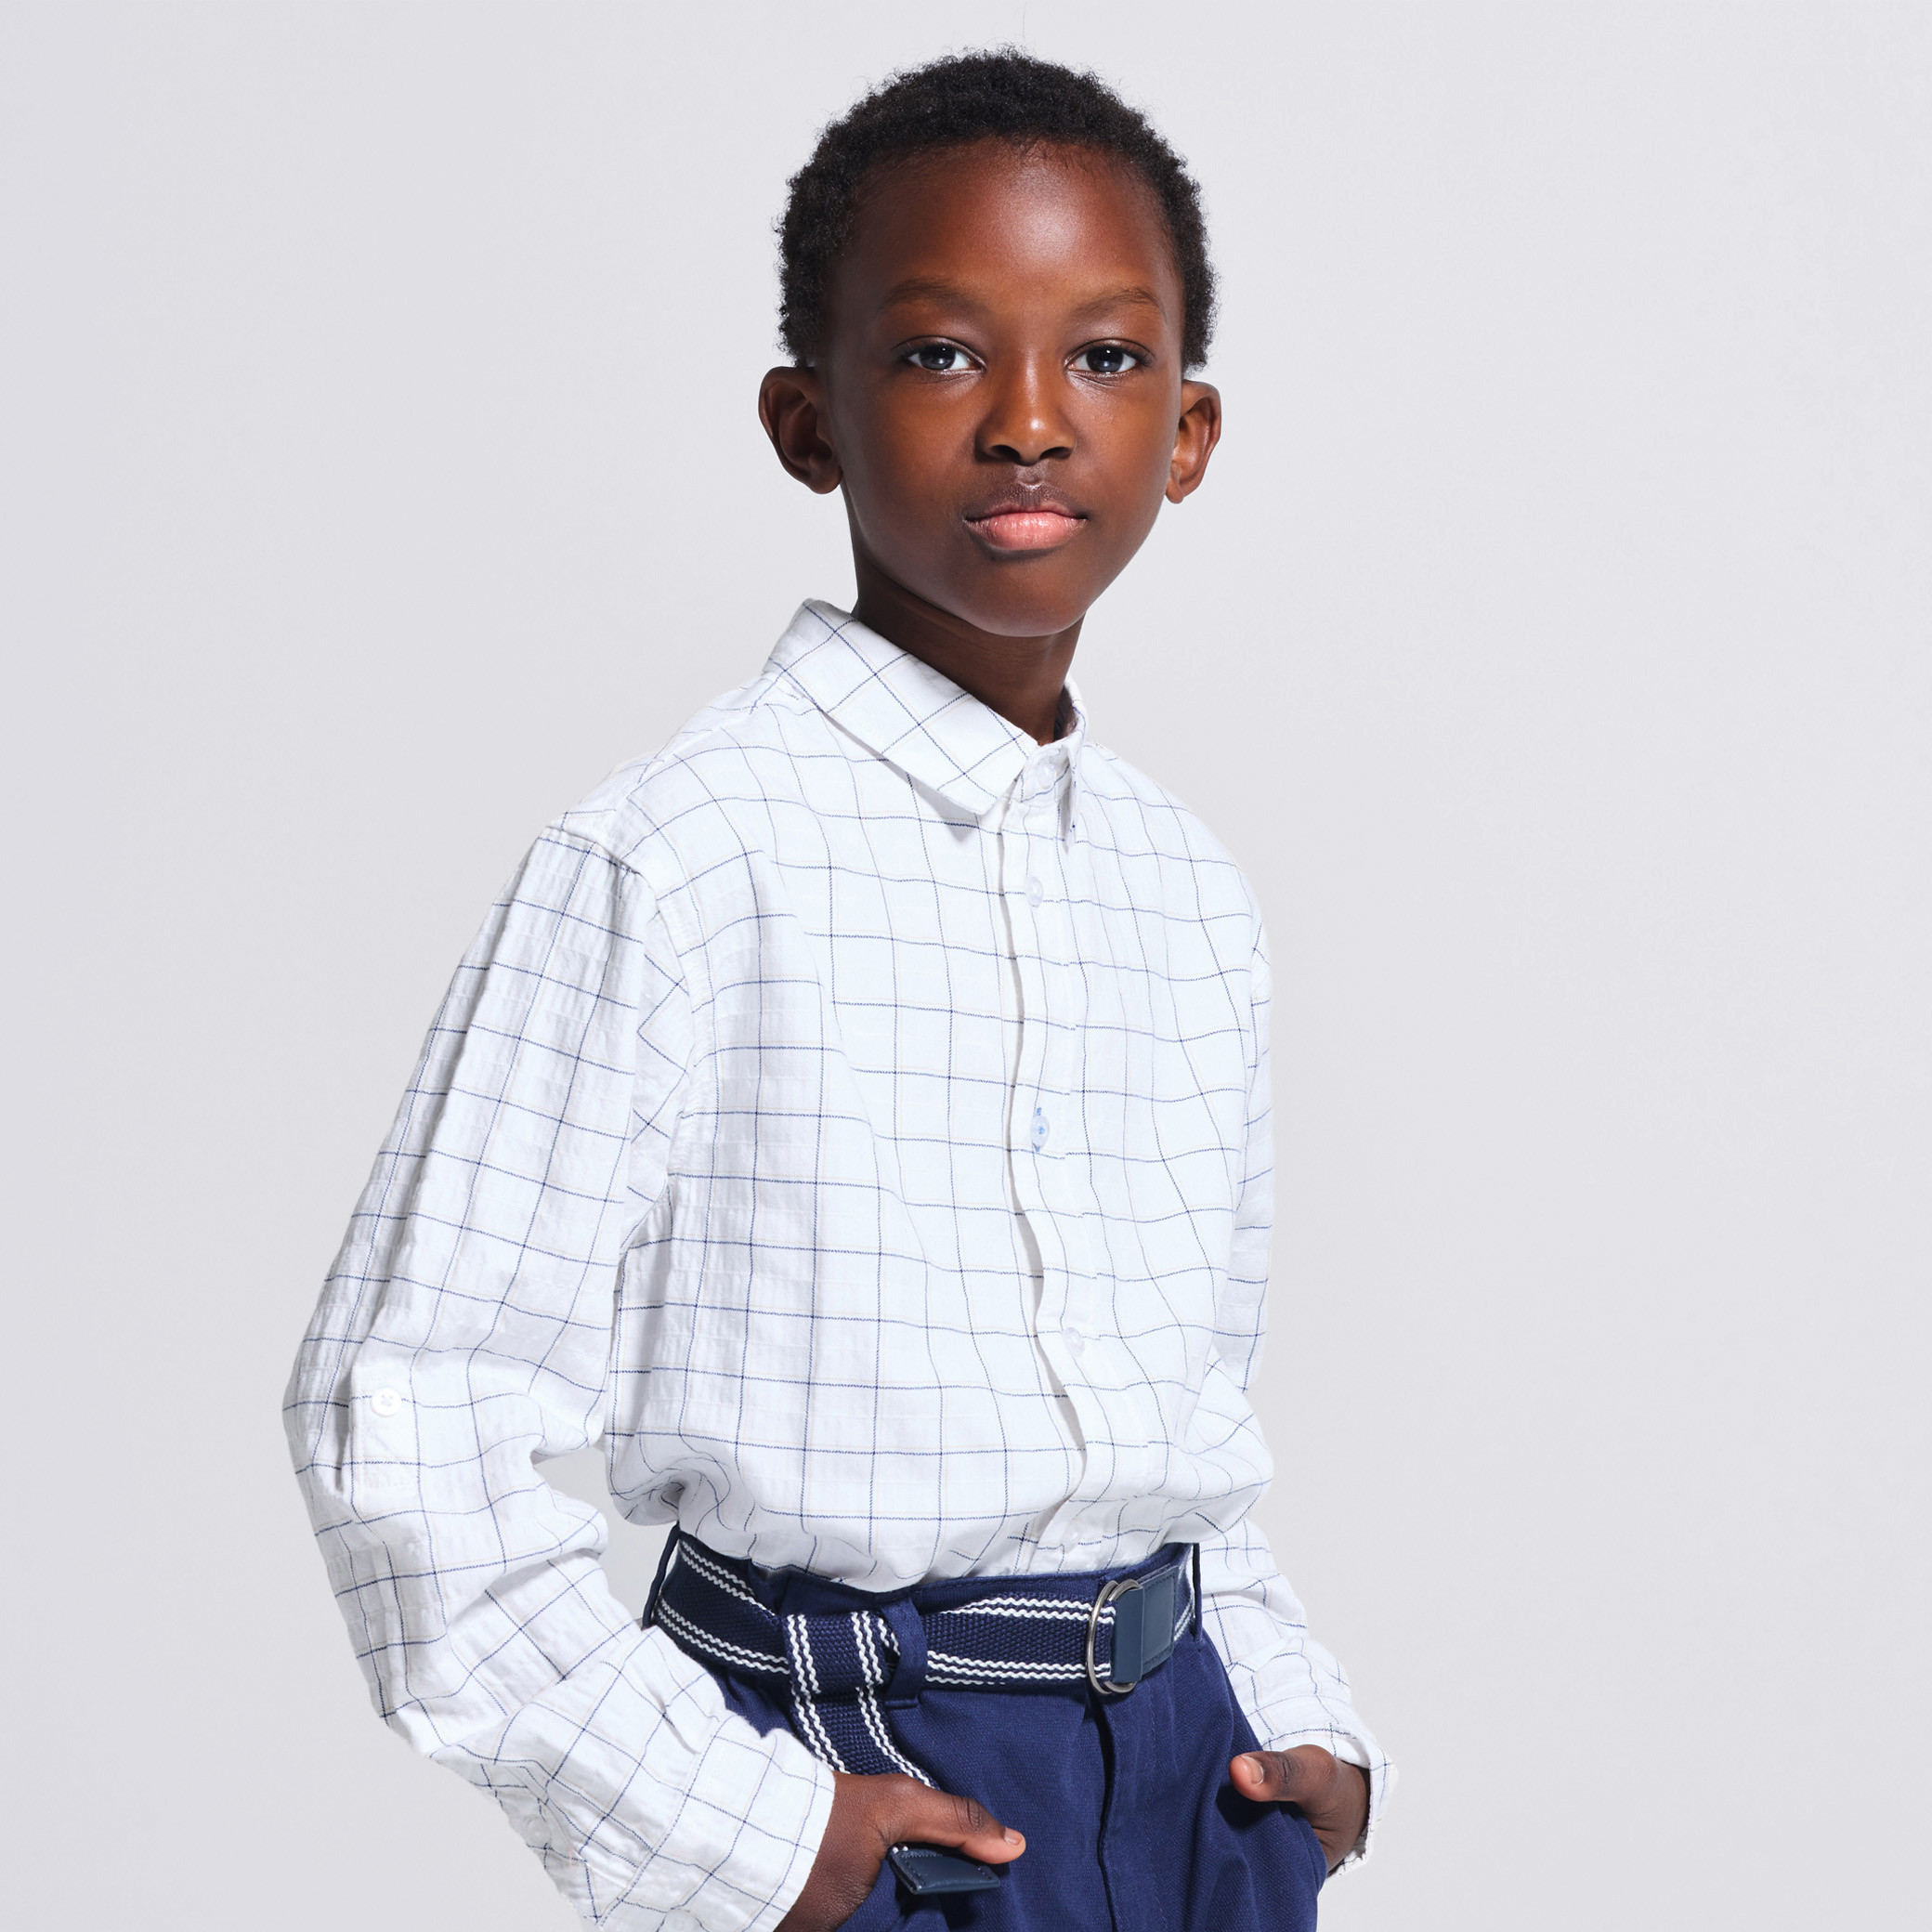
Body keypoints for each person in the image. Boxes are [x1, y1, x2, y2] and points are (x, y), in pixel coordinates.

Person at [285, 48, 1390, 1932]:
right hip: (859, 1765)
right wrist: (736, 1826)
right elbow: (398, 1411)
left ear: (1189, 432)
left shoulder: (1183, 887)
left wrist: (1292, 1714)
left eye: (1104, 357)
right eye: (942, 352)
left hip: (1195, 1776)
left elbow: (1183, 1409)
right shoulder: (676, 858)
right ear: (809, 421)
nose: (1029, 422)